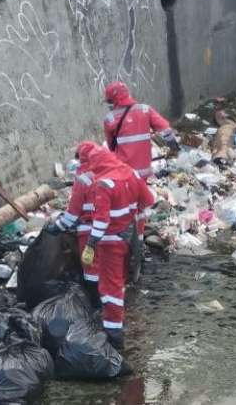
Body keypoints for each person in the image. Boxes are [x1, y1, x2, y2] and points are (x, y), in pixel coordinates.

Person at [81, 147, 155, 351]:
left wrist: (91, 244)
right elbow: (148, 201)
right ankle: (117, 324)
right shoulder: (131, 174)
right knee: (120, 281)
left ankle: (114, 335)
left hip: (109, 243)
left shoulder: (103, 184)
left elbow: (101, 222)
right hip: (128, 238)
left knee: (109, 287)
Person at [47, 141, 101, 304]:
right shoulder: (107, 171)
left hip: (89, 230)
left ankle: (96, 304)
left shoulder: (82, 178)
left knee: (91, 266)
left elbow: (73, 213)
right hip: (112, 229)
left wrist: (57, 227)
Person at [102, 81, 180, 181]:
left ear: (114, 100)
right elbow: (165, 129)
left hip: (125, 172)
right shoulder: (145, 109)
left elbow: (111, 147)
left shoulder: (110, 118)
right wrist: (173, 145)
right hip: (145, 171)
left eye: (110, 101)